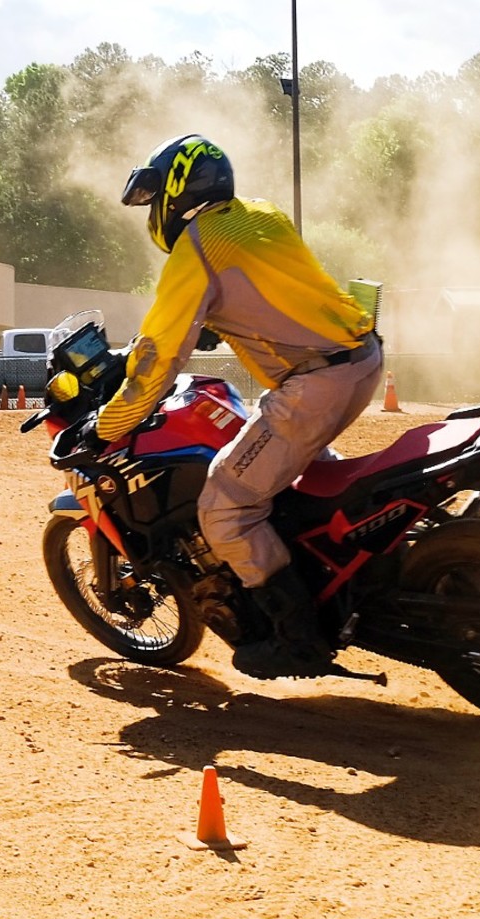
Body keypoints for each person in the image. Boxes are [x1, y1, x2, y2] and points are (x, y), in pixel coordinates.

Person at [89, 134, 383, 679]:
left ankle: (298, 638)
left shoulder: (194, 247)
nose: (155, 214)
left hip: (316, 384)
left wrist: (111, 425)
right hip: (362, 359)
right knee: (296, 487)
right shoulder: (261, 214)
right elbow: (273, 289)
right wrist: (216, 323)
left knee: (224, 503)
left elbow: (156, 360)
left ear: (175, 192)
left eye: (155, 202)